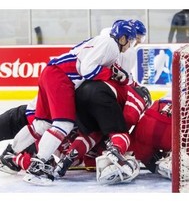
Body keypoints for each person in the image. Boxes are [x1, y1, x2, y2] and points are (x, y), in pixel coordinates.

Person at [0, 20, 137, 184]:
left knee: (42, 124)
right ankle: (37, 167)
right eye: (130, 40)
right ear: (122, 38)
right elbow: (87, 70)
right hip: (61, 78)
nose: (130, 45)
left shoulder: (102, 42)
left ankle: (10, 153)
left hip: (51, 72)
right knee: (63, 124)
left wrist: (115, 73)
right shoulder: (110, 45)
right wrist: (111, 74)